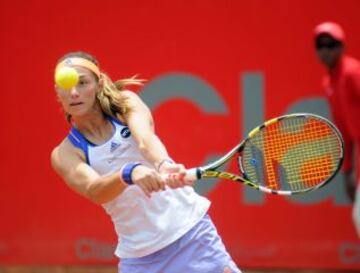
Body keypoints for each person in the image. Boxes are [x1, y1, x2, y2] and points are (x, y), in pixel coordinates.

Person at [50, 51, 241, 273]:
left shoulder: (126, 103)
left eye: (83, 83)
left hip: (192, 236)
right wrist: (128, 172)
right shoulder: (65, 154)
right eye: (67, 85)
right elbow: (95, 190)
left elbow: (145, 139)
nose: (74, 92)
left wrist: (163, 164)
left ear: (99, 83)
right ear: (57, 91)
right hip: (140, 260)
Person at [314, 22, 360, 236]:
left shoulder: (353, 72)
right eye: (320, 45)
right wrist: (348, 169)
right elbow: (342, 128)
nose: (325, 50)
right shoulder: (329, 82)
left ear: (342, 47)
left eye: (331, 44)